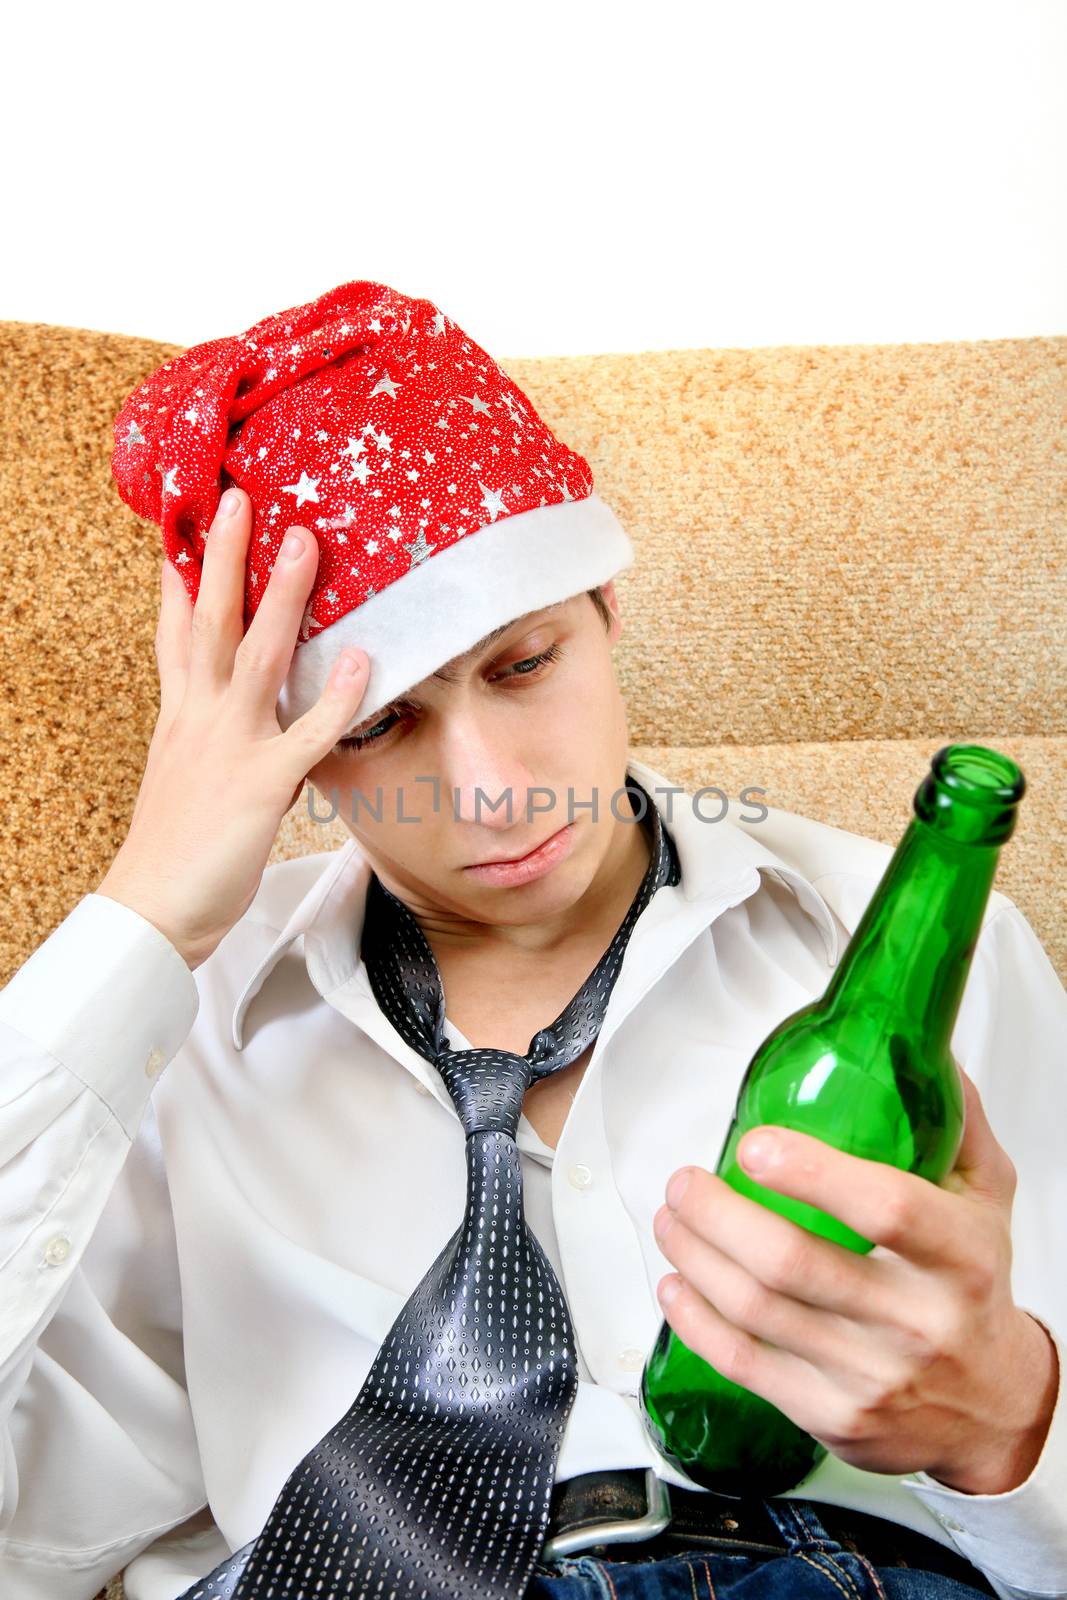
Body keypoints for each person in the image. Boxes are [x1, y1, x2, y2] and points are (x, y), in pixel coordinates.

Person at [0, 281, 1064, 1600]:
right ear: (289, 761)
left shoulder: (910, 960)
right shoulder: (182, 1033)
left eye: (522, 664)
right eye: (379, 725)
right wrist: (142, 922)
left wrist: (1018, 1427)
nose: (495, 791)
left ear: (606, 606)